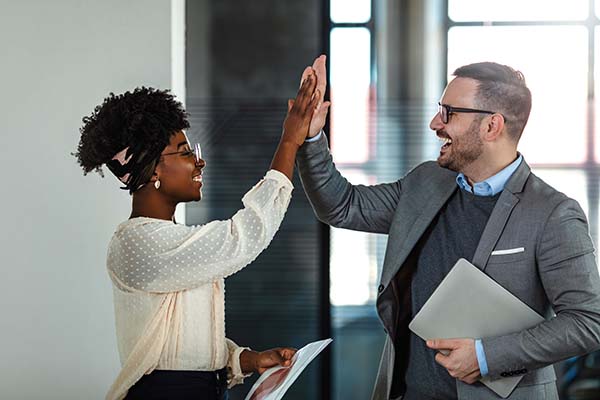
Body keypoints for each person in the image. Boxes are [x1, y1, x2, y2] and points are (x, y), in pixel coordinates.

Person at [297, 56, 600, 399]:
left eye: (448, 112)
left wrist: (486, 357)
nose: (434, 123)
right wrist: (311, 137)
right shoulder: (426, 182)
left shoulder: (553, 213)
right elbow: (342, 205)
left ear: (491, 126)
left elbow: (588, 321)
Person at [74, 69, 322, 399]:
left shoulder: (171, 242)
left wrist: (245, 360)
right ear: (154, 169)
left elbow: (184, 343)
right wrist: (290, 141)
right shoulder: (136, 244)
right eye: (185, 151)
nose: (198, 162)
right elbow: (243, 236)